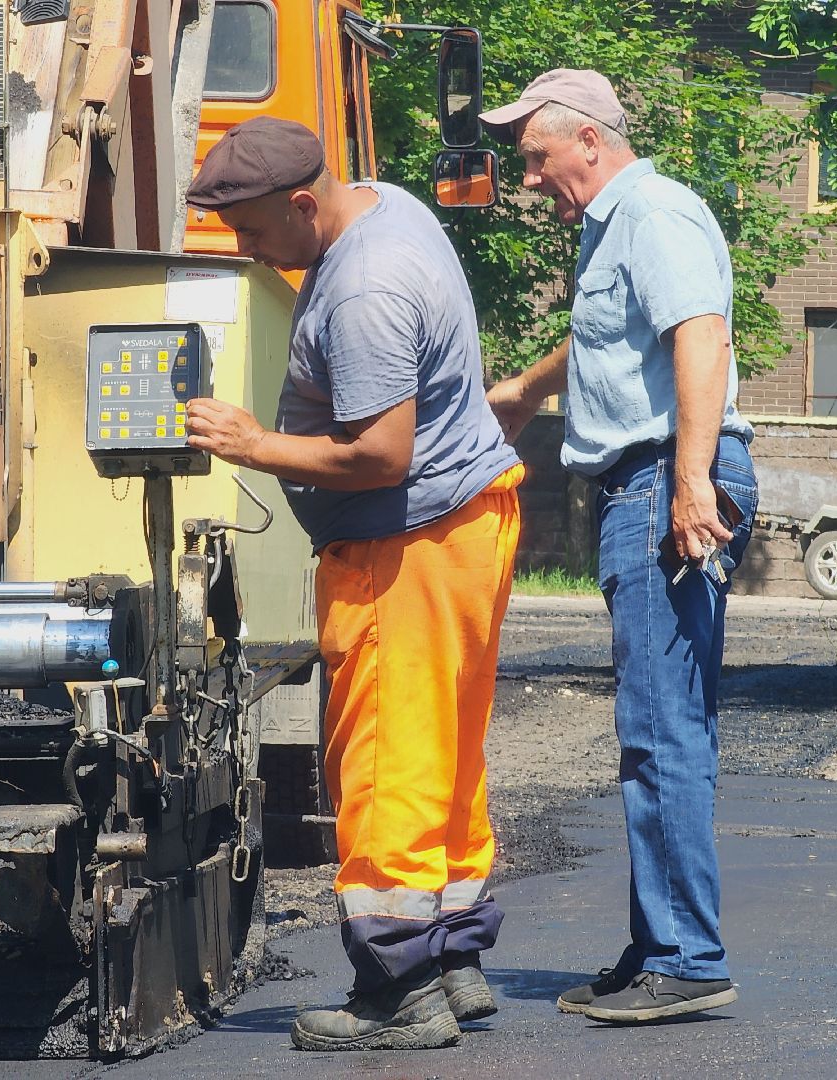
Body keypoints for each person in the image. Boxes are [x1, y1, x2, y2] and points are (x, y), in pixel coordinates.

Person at [182, 115, 524, 1051]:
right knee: (445, 756)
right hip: (463, 525)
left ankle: (397, 989)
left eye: (252, 232)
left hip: (403, 544)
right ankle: (453, 959)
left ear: (303, 203)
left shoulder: (364, 286)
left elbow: (380, 453)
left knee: (384, 763)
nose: (247, 251)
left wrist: (255, 445)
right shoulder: (391, 207)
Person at [478, 70, 760, 1023]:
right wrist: (525, 390)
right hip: (643, 484)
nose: (529, 179)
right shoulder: (615, 227)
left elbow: (700, 336)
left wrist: (689, 479)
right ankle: (660, 947)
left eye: (536, 157)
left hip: (661, 482)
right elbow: (614, 339)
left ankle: (686, 958)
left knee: (659, 730)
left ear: (588, 142)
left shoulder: (656, 213)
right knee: (657, 725)